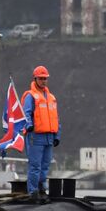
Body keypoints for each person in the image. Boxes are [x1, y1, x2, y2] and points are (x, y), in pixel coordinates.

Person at [19, 65, 60, 202]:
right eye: (41, 78)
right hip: (35, 136)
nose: (43, 81)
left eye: (45, 78)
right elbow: (26, 113)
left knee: (45, 165)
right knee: (35, 166)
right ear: (35, 79)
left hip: (49, 136)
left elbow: (55, 118)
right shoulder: (31, 96)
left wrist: (57, 135)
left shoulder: (51, 97)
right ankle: (33, 192)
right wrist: (29, 126)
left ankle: (42, 189)